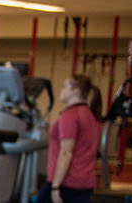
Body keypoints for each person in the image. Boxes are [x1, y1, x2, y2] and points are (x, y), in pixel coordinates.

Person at [39, 74, 101, 203]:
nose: (61, 90)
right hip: (85, 183)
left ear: (75, 91)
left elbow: (66, 152)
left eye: (64, 87)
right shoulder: (91, 115)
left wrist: (55, 186)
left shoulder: (70, 116)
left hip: (66, 183)